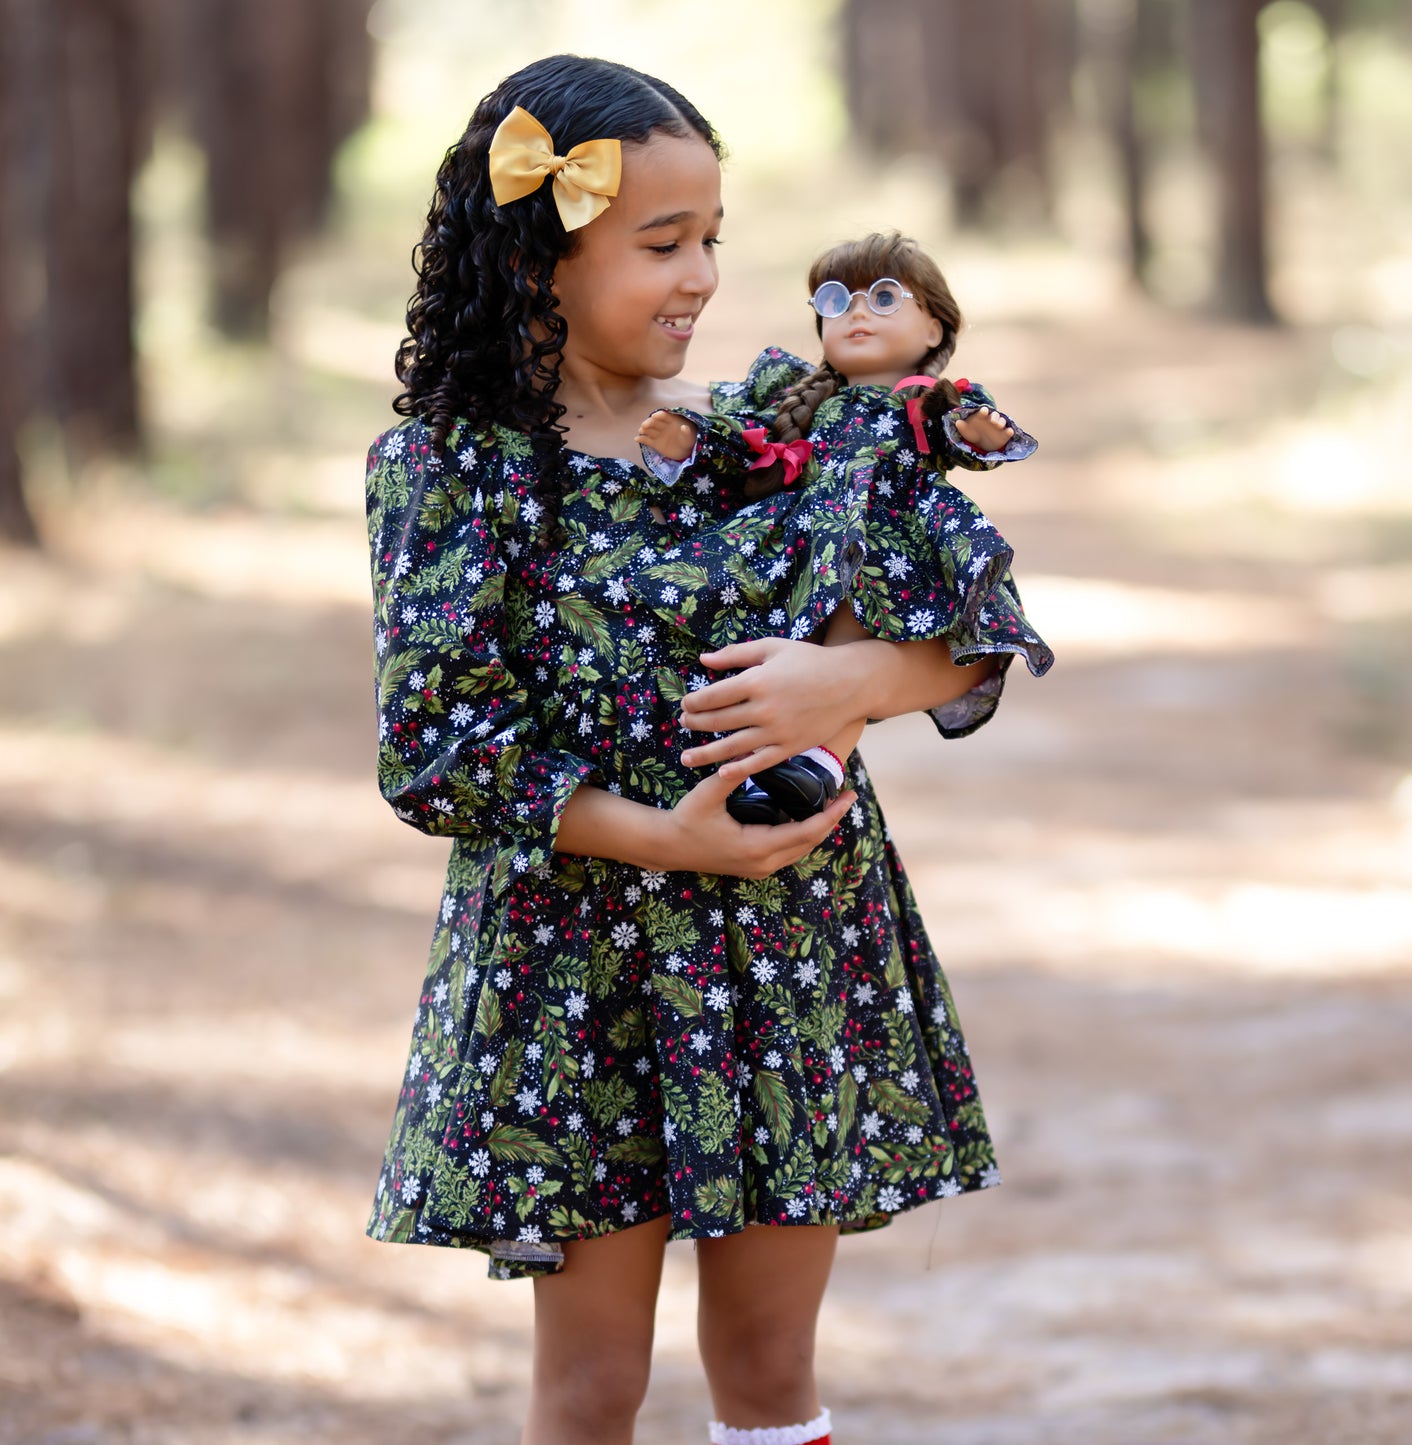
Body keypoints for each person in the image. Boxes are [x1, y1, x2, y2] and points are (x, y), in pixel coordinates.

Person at [363, 55, 1050, 1445]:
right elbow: (437, 747)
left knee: (766, 1365)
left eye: (714, 241)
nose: (701, 278)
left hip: (787, 947)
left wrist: (847, 679)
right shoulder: (451, 466)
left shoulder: (764, 437)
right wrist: (663, 832)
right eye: (660, 243)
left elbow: (980, 624)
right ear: (539, 254)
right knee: (593, 1383)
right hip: (577, 968)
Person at [631, 231, 1044, 824]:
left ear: (934, 328)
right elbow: (752, 440)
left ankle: (821, 760)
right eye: (833, 300)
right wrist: (695, 441)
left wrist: (979, 434)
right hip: (804, 541)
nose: (854, 312)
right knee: (781, 648)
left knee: (845, 657)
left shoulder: (928, 402)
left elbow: (968, 437)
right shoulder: (806, 398)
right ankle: (771, 761)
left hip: (889, 542)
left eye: (882, 298)